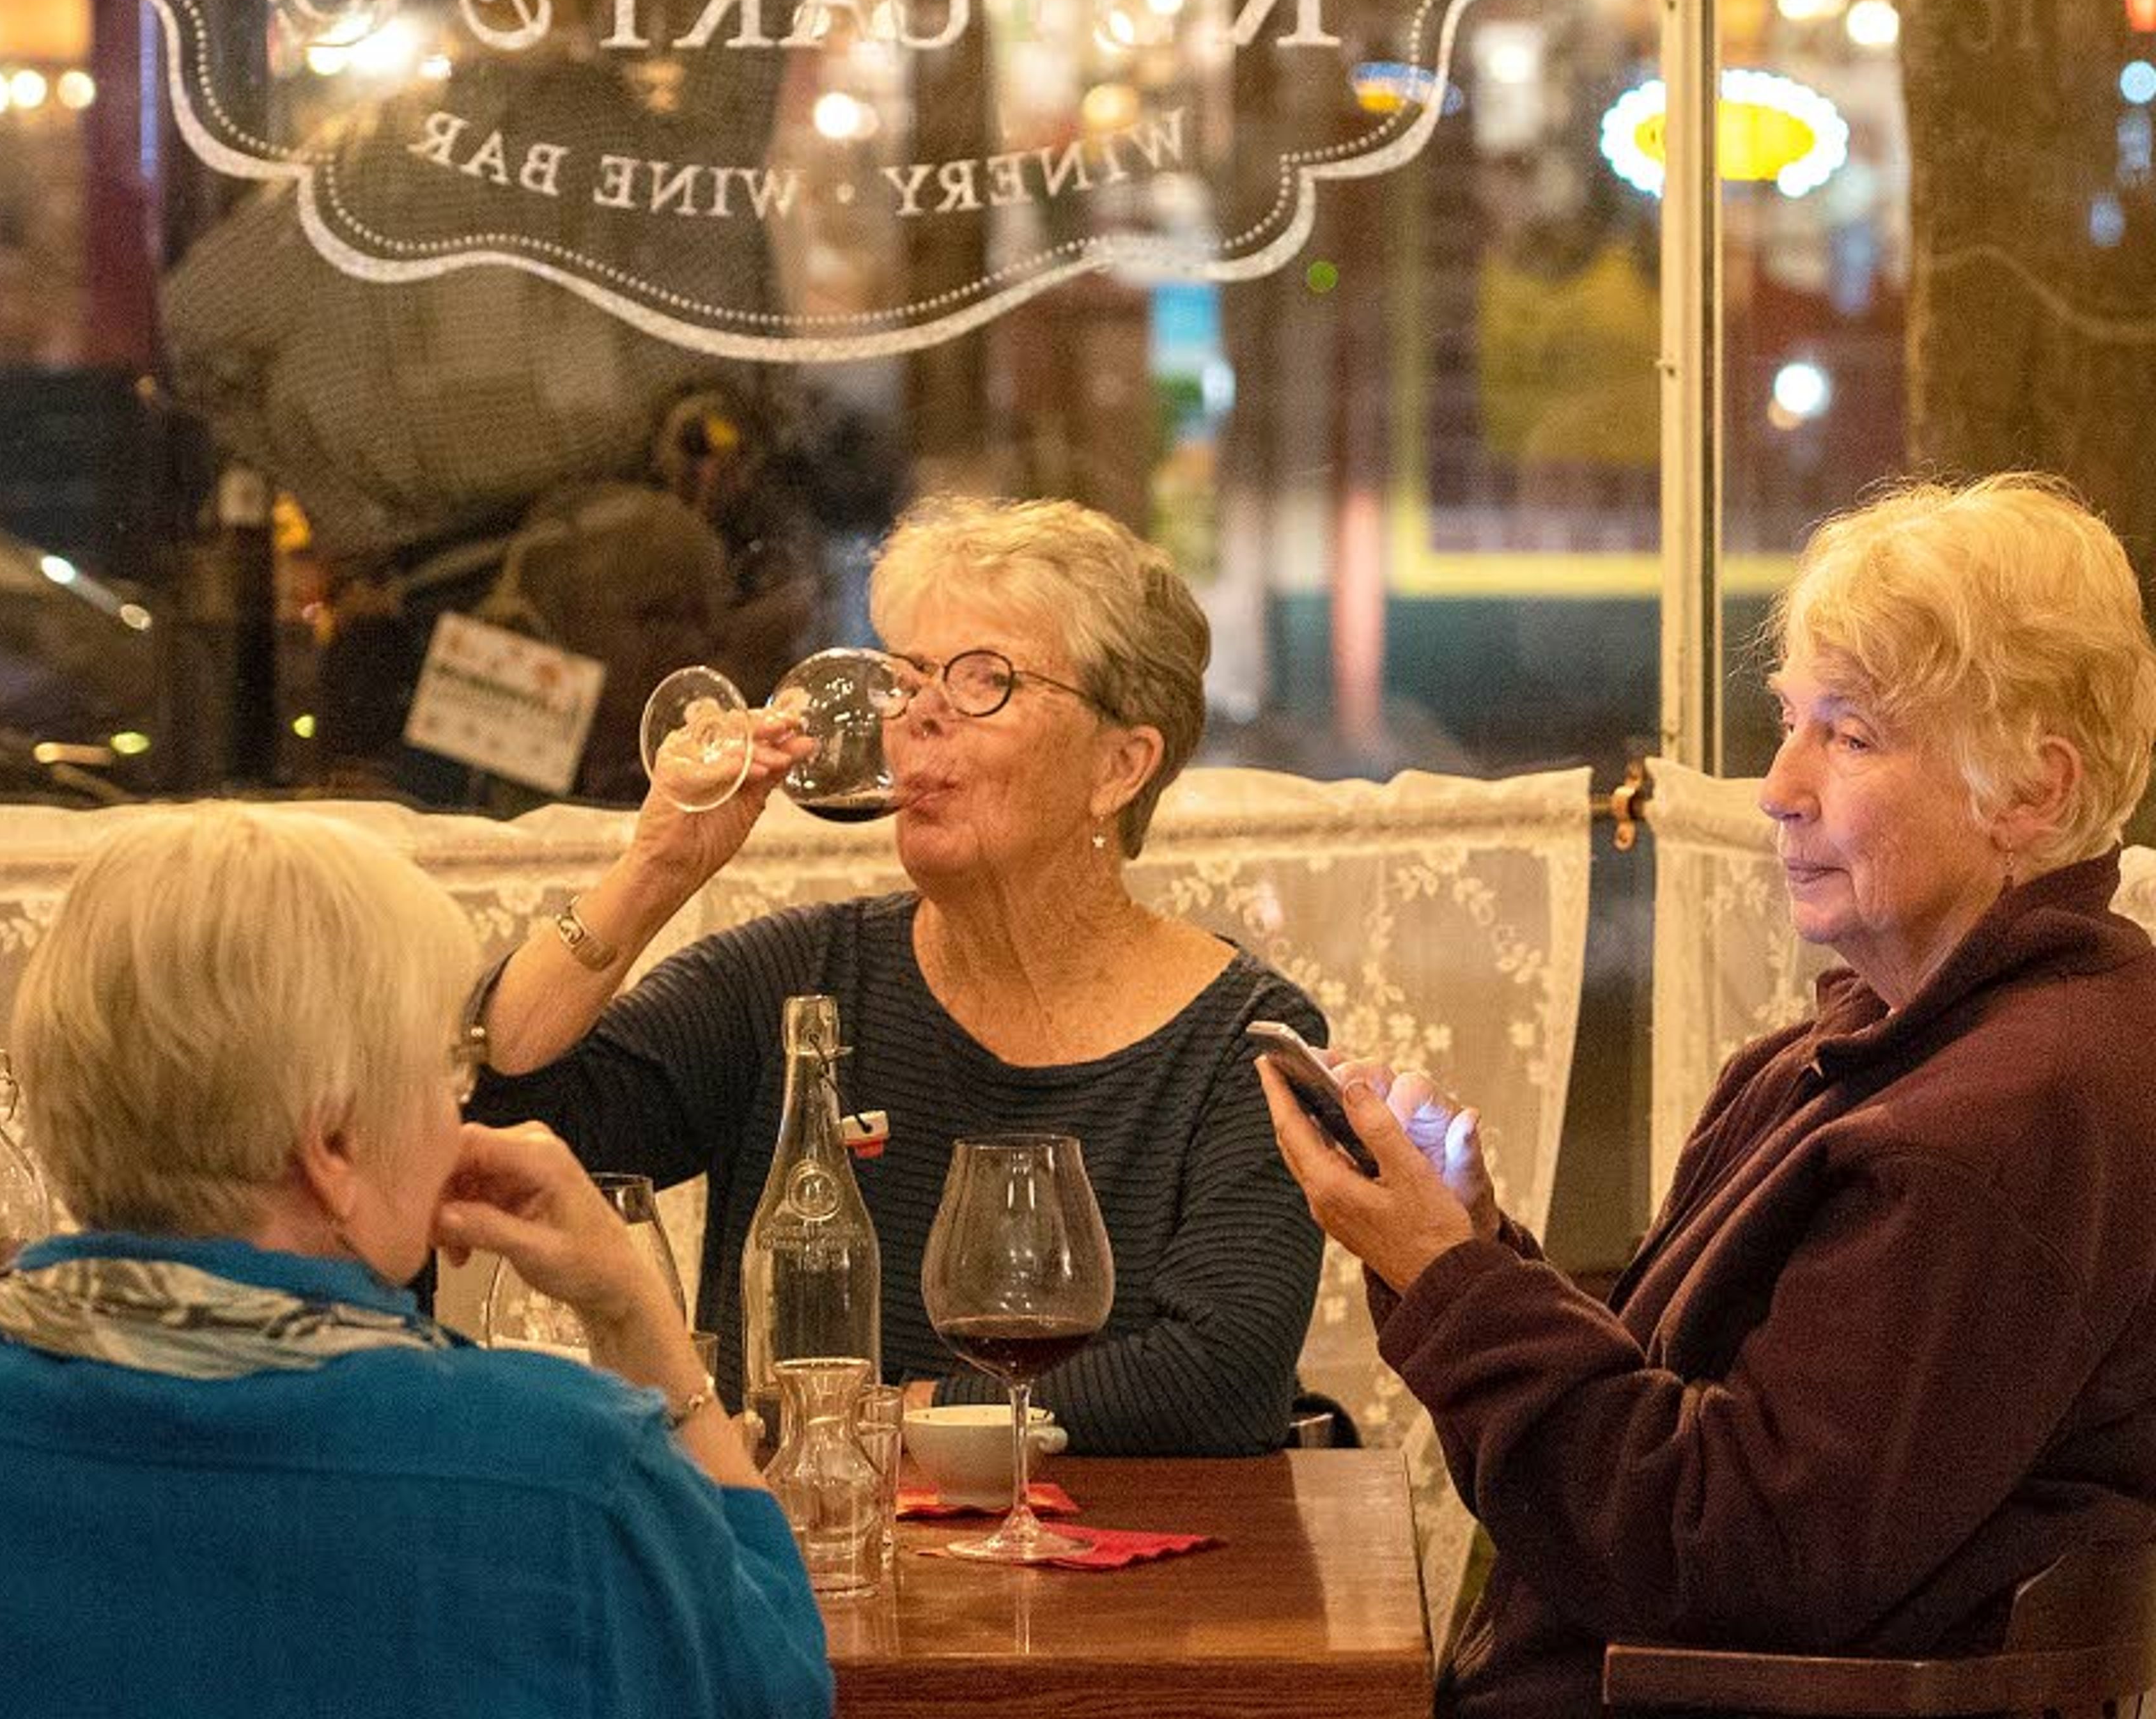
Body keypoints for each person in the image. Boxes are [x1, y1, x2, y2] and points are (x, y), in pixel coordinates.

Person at [1260, 472, 2156, 1719]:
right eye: (1791, 722)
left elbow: (1721, 1555)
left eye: (1850, 735)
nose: (1779, 788)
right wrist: (1467, 1245)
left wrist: (1451, 1286)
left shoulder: (2007, 1113)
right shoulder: (1872, 1045)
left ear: (2032, 793)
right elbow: (1654, 1408)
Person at [0, 805, 830, 1719]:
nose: (458, 1112)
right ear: (334, 1145)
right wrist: (636, 1314)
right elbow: (779, 1682)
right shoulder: (566, 1466)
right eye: (445, 1067)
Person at [468, 493, 1329, 1454]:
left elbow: (1219, 1380)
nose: (915, 719)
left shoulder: (1242, 1046)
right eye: (908, 679)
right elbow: (511, 1112)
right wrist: (656, 867)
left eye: (980, 682)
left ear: (1120, 766)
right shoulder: (796, 985)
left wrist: (868, 1422)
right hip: (818, 1577)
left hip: (1131, 1584)